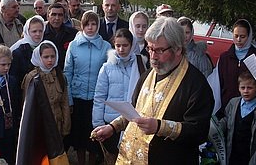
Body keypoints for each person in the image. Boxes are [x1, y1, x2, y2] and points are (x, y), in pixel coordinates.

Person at [91, 17, 214, 164]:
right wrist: (113, 127)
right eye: (150, 48)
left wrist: (160, 127)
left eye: (160, 50)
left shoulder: (196, 84)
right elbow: (135, 111)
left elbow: (198, 131)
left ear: (178, 49)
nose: (153, 57)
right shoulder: (149, 74)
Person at [64, 10, 111, 165]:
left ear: (98, 25)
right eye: (87, 24)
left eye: (93, 24)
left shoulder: (105, 46)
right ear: (82, 26)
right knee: (79, 135)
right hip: (78, 96)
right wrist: (69, 99)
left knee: (95, 134)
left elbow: (110, 72)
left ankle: (92, 161)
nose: (90, 27)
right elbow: (67, 73)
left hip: (97, 98)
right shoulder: (74, 45)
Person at [92, 28, 146, 158]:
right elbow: (99, 96)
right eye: (118, 45)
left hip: (133, 121)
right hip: (110, 122)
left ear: (132, 45)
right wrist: (98, 124)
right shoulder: (107, 67)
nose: (121, 49)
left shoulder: (140, 65)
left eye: (125, 45)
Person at [210, 19, 256, 117]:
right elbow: (217, 83)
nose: (238, 40)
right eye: (236, 36)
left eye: (242, 37)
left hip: (252, 110)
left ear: (249, 36)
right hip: (227, 109)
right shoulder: (225, 57)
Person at [22, 40, 70, 138]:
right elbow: (27, 106)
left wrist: (66, 126)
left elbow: (64, 102)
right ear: (39, 57)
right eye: (46, 57)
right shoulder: (32, 77)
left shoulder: (60, 76)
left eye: (52, 56)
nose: (50, 60)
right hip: (39, 124)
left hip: (57, 123)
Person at [219, 71, 256, 165]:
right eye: (242, 88)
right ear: (238, 88)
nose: (246, 91)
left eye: (250, 88)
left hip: (250, 156)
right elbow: (226, 120)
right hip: (232, 154)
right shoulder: (233, 103)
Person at [9, 15, 45, 104]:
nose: (38, 34)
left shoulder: (45, 47)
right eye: (34, 31)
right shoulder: (18, 51)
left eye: (40, 31)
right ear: (27, 32)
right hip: (24, 96)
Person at [43, 2, 78, 70]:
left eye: (60, 15)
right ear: (48, 16)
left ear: (64, 17)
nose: (57, 18)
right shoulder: (41, 34)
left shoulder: (73, 34)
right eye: (54, 14)